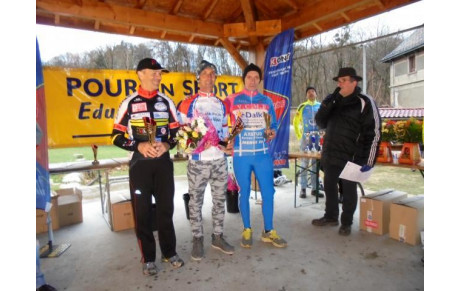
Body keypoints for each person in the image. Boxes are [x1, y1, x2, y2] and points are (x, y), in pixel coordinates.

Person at [112, 58, 184, 275]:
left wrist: (166, 144)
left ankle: (169, 252)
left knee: (166, 211)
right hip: (140, 166)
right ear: (140, 74)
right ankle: (148, 258)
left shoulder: (167, 101)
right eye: (154, 73)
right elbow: (115, 136)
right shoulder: (129, 102)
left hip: (163, 164)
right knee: (142, 213)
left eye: (160, 73)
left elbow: (177, 134)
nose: (158, 77)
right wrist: (139, 145)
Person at [176, 60, 235, 261]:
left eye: (212, 73)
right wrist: (199, 143)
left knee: (219, 201)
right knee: (196, 202)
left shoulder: (222, 103)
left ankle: (217, 236)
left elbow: (225, 132)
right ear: (197, 78)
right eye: (205, 73)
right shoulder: (187, 103)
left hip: (219, 161)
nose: (209, 77)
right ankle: (197, 238)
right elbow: (181, 136)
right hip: (198, 162)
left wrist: (227, 144)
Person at [312, 67, 381, 236]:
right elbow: (320, 122)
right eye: (338, 81)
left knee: (349, 190)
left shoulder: (364, 101)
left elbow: (375, 132)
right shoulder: (334, 100)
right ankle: (330, 217)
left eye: (343, 80)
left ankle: (347, 222)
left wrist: (369, 160)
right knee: (329, 186)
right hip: (331, 153)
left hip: (352, 156)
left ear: (354, 82)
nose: (339, 84)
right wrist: (329, 102)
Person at [227, 63, 287, 248]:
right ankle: (247, 229)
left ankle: (268, 231)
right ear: (243, 79)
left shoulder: (267, 101)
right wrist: (228, 139)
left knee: (268, 192)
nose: (252, 80)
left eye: (256, 77)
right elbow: (227, 126)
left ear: (260, 80)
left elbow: (273, 126)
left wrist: (271, 132)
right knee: (244, 192)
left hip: (262, 154)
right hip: (241, 155)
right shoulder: (232, 100)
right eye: (249, 77)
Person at [293, 86, 324, 199]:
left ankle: (315, 189)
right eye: (309, 92)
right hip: (305, 137)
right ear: (306, 95)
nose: (311, 93)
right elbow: (295, 122)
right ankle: (303, 188)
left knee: (315, 163)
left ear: (316, 94)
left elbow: (324, 121)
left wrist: (322, 134)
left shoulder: (320, 106)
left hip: (316, 138)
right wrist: (299, 135)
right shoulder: (302, 106)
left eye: (313, 91)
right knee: (304, 163)